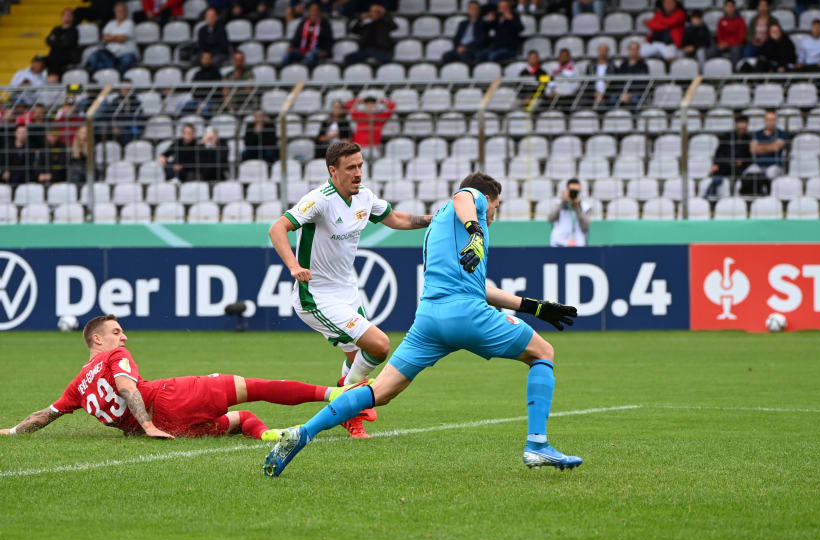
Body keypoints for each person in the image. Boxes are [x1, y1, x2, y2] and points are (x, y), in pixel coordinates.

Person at [262, 171, 581, 477]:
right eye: (496, 205)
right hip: (467, 314)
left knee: (380, 391)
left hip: (430, 320)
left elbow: (480, 288)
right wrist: (477, 230)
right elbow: (464, 196)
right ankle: (537, 443)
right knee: (543, 352)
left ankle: (303, 432)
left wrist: (535, 308)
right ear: (487, 198)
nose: (494, 212)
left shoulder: (441, 227)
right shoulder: (471, 206)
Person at [265, 141, 433, 438]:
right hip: (315, 296)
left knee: (359, 360)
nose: (358, 173)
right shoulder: (319, 199)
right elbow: (278, 228)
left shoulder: (365, 197)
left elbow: (396, 219)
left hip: (347, 294)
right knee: (379, 346)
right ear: (333, 171)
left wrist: (436, 220)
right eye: (350, 168)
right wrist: (293, 265)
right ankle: (345, 395)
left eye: (360, 166)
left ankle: (349, 415)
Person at [0, 315, 341, 440]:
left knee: (242, 419)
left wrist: (12, 431)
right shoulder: (113, 356)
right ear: (97, 340)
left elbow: (45, 415)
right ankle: (334, 394)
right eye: (117, 332)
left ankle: (269, 436)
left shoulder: (76, 387)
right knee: (259, 387)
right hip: (169, 399)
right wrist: (147, 425)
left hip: (171, 426)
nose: (124, 338)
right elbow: (126, 387)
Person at [707, 115, 751, 199]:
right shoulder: (727, 136)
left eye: (744, 123)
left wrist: (743, 161)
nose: (742, 126)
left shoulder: (749, 139)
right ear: (736, 124)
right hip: (725, 165)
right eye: (740, 123)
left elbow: (750, 157)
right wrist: (716, 164)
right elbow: (719, 153)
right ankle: (709, 197)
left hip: (740, 168)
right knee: (716, 179)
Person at [86, 2, 139, 72]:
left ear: (126, 12)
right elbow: (104, 38)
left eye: (122, 11)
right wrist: (116, 37)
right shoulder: (110, 23)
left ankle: (119, 77)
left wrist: (110, 37)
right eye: (118, 11)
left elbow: (122, 39)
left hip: (126, 53)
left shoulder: (130, 23)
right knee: (95, 57)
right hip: (111, 54)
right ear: (115, 12)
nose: (120, 13)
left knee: (126, 61)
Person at [284, 2, 334, 68]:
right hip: (302, 50)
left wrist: (325, 51)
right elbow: (296, 38)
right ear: (308, 12)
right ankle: (284, 74)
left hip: (317, 51)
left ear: (320, 12)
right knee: (287, 55)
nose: (314, 12)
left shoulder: (325, 24)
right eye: (312, 10)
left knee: (310, 55)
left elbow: (329, 40)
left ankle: (307, 75)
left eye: (316, 10)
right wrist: (291, 46)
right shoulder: (303, 23)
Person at [547, 178, 592, 247]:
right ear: (567, 190)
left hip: (579, 244)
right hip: (559, 243)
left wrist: (577, 208)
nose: (573, 193)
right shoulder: (558, 204)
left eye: (576, 191)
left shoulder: (585, 207)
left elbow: (586, 226)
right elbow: (550, 218)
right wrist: (563, 201)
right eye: (571, 191)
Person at [748, 110, 788, 179]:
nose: (770, 122)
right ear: (764, 121)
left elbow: (776, 148)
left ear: (776, 121)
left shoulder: (782, 133)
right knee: (749, 174)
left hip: (775, 165)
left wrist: (759, 147)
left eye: (773, 120)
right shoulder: (757, 134)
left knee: (771, 173)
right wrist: (770, 146)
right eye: (768, 120)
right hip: (758, 165)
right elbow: (752, 149)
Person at [614, 41, 650, 109]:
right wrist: (622, 93)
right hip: (623, 93)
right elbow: (618, 82)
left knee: (635, 98)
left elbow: (643, 84)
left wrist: (630, 94)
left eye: (635, 49)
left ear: (638, 51)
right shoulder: (623, 65)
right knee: (613, 98)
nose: (633, 51)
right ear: (628, 50)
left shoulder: (643, 66)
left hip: (636, 93)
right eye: (631, 49)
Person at [45, 9, 80, 76]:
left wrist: (55, 40)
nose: (66, 17)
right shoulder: (56, 29)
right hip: (54, 55)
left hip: (68, 56)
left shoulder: (74, 30)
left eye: (69, 15)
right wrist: (60, 41)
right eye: (65, 15)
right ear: (62, 17)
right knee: (40, 60)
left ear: (73, 17)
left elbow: (67, 44)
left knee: (56, 60)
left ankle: (53, 81)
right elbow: (48, 40)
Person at [715, 0, 745, 66]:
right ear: (724, 8)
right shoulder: (721, 20)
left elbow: (741, 37)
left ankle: (734, 72)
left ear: (734, 8)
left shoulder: (740, 20)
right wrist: (721, 43)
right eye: (727, 6)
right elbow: (719, 35)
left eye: (731, 6)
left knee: (735, 50)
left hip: (736, 44)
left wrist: (728, 43)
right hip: (723, 43)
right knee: (711, 51)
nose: (729, 8)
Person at [591, 42, 613, 107]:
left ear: (608, 52)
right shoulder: (590, 67)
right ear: (598, 51)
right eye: (601, 50)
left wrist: (604, 94)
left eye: (604, 50)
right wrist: (595, 93)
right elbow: (588, 83)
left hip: (607, 94)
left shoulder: (612, 67)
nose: (602, 52)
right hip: (593, 94)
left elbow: (613, 84)